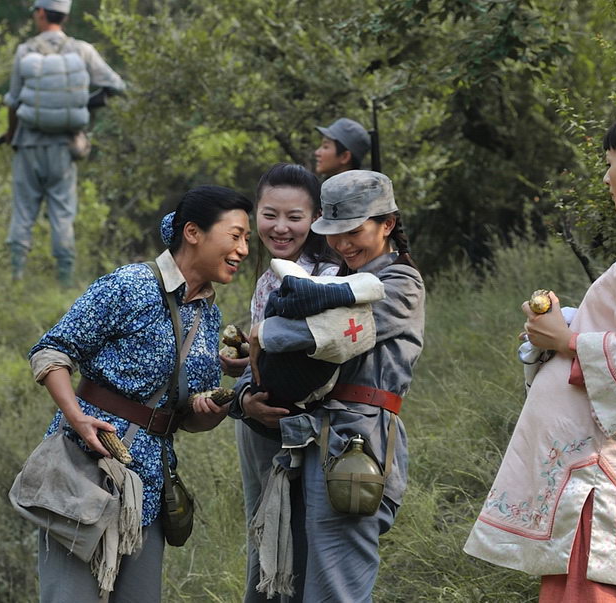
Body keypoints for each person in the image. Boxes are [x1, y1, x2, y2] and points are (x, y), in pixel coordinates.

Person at [463, 104, 616, 601]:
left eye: (610, 164)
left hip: (605, 486)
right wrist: (575, 322)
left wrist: (565, 340)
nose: (606, 177)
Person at [27, 185, 251, 601]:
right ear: (193, 232)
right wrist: (76, 416)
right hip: (85, 472)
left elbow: (186, 417)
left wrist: (211, 411)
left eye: (247, 239)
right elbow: (51, 351)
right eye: (235, 235)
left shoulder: (209, 312)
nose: (243, 249)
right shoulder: (131, 285)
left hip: (149, 487)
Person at [211, 170, 425, 601]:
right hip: (310, 438)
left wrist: (263, 334)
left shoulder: (399, 283)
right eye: (335, 233)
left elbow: (324, 336)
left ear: (387, 224)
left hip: (358, 442)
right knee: (290, 571)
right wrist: (245, 394)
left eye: (355, 232)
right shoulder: (335, 281)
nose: (344, 244)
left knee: (335, 585)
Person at [216, 163, 340, 602]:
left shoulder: (322, 279)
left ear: (317, 219)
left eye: (295, 217)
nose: (281, 227)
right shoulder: (272, 270)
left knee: (285, 540)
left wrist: (247, 393)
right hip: (256, 419)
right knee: (264, 530)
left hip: (291, 426)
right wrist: (246, 368)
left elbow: (307, 364)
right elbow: (271, 350)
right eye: (270, 215)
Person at [3, 0, 126, 286]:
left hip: (28, 144)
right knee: (62, 212)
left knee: (23, 210)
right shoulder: (82, 50)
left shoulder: (25, 51)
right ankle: (65, 282)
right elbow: (116, 85)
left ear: (42, 13)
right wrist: (85, 102)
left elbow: (13, 101)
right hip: (65, 146)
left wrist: (11, 134)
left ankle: (16, 278)